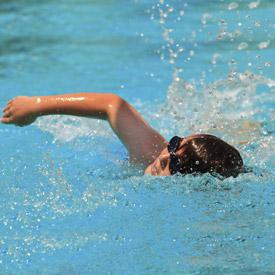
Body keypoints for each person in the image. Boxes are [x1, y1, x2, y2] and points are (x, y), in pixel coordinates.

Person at [1, 93, 243, 177]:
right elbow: (112, 105)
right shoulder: (150, 154)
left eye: (178, 163)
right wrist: (38, 105)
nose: (164, 158)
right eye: (174, 144)